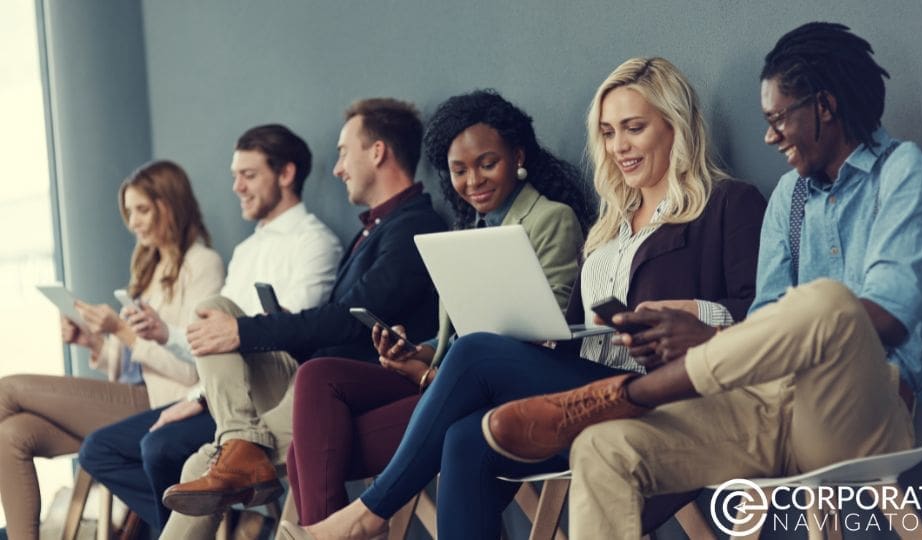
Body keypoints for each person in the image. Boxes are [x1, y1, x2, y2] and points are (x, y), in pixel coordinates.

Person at [483, 23, 922, 539]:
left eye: (779, 119)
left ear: (824, 107)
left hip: (868, 411)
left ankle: (632, 392)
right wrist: (706, 337)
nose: (769, 136)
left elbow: (884, 323)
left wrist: (710, 337)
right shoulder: (789, 197)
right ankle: (625, 400)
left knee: (829, 303)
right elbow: (766, 325)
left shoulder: (907, 175)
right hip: (770, 406)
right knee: (602, 448)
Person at [289, 58, 768, 540]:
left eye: (633, 128)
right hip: (592, 388)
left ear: (676, 125)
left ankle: (366, 516)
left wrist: (697, 313)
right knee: (464, 437)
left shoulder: (727, 203)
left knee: (476, 352)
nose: (619, 146)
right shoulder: (607, 229)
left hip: (665, 393)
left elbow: (767, 317)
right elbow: (581, 330)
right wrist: (548, 340)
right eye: (607, 132)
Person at [278, 89, 591, 534]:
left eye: (487, 163)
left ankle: (341, 527)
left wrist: (432, 374)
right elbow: (457, 338)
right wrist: (418, 353)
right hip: (452, 375)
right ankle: (333, 529)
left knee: (308, 451)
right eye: (459, 170)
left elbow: (547, 324)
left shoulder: (551, 219)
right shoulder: (468, 230)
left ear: (517, 155)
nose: (473, 181)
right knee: (317, 377)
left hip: (499, 386)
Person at [158, 98, 447, 540]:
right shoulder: (374, 229)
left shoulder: (414, 226)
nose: (337, 168)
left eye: (343, 152)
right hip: (310, 376)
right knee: (215, 307)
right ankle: (240, 438)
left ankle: (239, 445)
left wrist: (247, 330)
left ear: (378, 152)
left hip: (345, 387)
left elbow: (352, 321)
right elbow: (339, 321)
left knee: (202, 463)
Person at [77, 124, 343, 531]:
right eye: (235, 176)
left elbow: (291, 335)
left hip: (272, 392)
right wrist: (181, 363)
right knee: (101, 448)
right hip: (221, 393)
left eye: (248, 175)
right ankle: (236, 525)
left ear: (286, 175)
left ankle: (236, 482)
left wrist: (198, 396)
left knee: (161, 446)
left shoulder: (315, 243)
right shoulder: (245, 251)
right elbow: (211, 339)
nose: (236, 186)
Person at [0, 160, 224, 540]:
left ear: (169, 205)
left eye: (142, 210)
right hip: (134, 396)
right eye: (129, 212)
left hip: (166, 403)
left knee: (7, 389)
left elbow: (192, 369)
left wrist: (122, 329)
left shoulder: (203, 264)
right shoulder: (149, 267)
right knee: (10, 435)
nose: (133, 222)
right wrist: (93, 341)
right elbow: (128, 366)